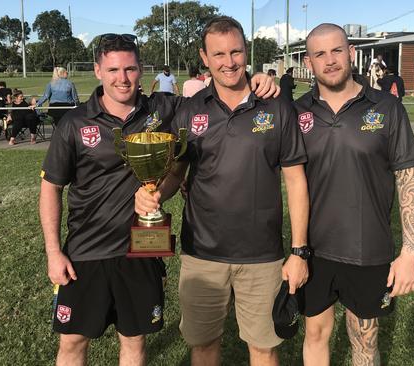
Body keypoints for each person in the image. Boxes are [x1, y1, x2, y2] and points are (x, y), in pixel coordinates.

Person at [39, 32, 280, 366]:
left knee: (135, 342)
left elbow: (219, 99)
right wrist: (53, 252)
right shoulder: (74, 123)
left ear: (141, 71)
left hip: (141, 250)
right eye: (112, 70)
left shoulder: (165, 109)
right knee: (72, 343)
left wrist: (258, 81)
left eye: (130, 69)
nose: (122, 78)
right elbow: (51, 187)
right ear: (97, 71)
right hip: (85, 251)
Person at [135, 16, 309, 366]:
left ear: (247, 51)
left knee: (263, 348)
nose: (229, 62)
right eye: (219, 54)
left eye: (236, 52)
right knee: (203, 346)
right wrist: (154, 192)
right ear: (204, 57)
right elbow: (178, 171)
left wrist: (299, 251)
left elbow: (295, 181)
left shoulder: (276, 106)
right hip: (202, 253)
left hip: (262, 255)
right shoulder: (190, 110)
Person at [293, 23, 414, 366]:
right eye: (320, 54)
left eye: (337, 50)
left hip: (368, 249)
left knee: (364, 342)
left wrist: (410, 252)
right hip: (313, 250)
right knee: (316, 334)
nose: (330, 60)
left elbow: (408, 179)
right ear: (309, 62)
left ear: (351, 53)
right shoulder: (297, 112)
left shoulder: (387, 108)